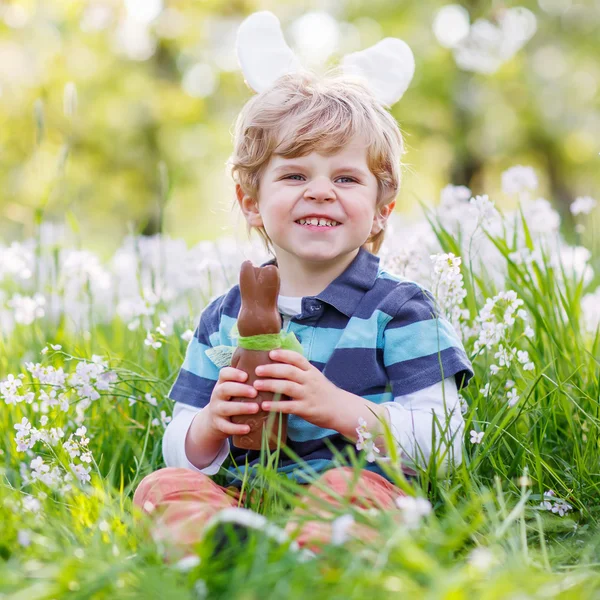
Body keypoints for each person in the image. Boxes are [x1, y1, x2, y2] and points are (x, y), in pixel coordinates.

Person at [133, 67, 474, 560]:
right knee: (162, 486)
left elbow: (445, 446)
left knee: (346, 490)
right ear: (251, 203)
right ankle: (217, 553)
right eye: (295, 174)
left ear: (382, 210)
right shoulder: (222, 318)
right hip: (245, 498)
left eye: (345, 177)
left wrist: (337, 407)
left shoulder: (401, 310)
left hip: (360, 488)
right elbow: (180, 444)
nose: (320, 191)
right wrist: (210, 422)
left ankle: (309, 562)